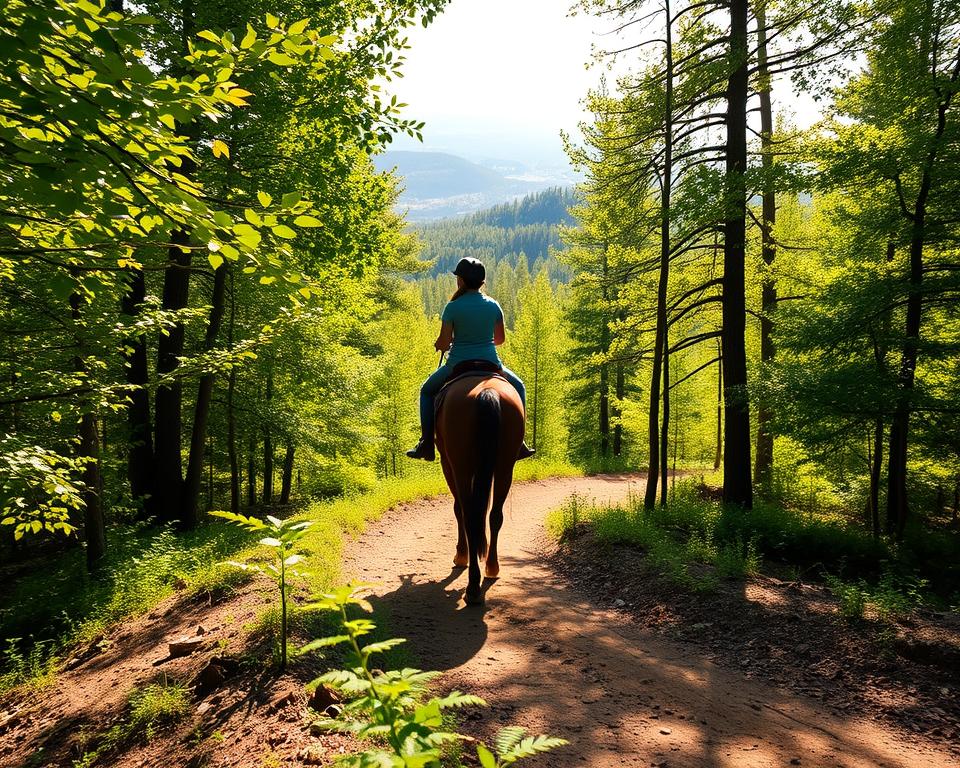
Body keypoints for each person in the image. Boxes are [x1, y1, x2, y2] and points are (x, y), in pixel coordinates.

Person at [406, 257, 536, 462]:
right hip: (492, 363)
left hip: (457, 364)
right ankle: (519, 443)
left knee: (426, 391)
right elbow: (500, 340)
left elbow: (444, 341)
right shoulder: (494, 306)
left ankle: (427, 444)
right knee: (519, 386)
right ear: (482, 282)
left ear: (461, 281)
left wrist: (441, 344)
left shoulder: (453, 307)